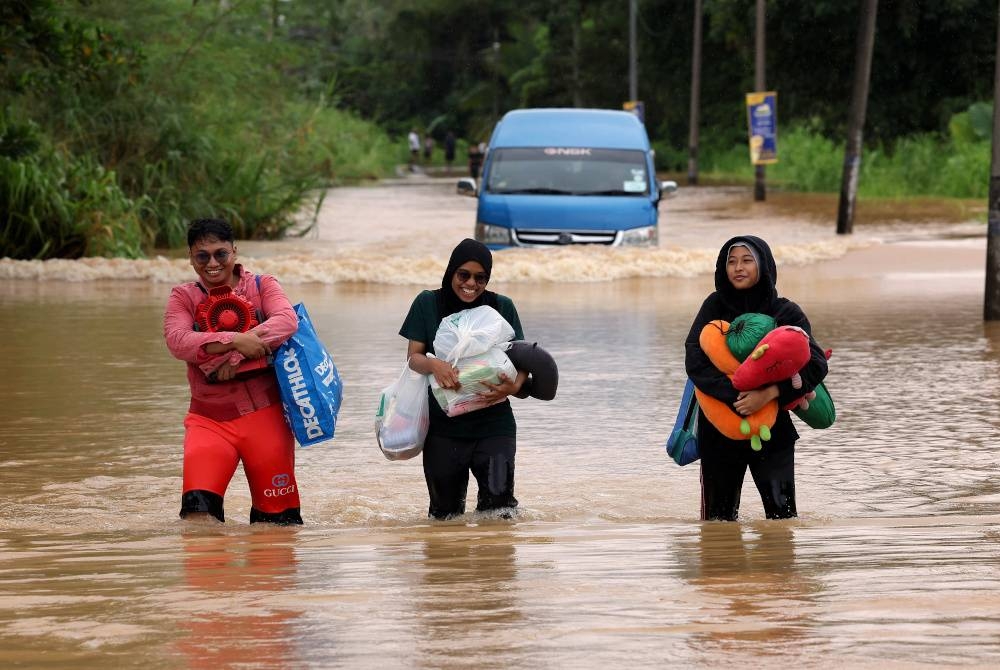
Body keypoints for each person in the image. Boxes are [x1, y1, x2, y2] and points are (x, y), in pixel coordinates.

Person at [163, 218, 303, 525]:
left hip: (266, 418)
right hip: (208, 420)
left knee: (277, 530)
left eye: (220, 254)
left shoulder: (263, 285)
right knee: (198, 521)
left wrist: (233, 356)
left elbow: (286, 321)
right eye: (202, 256)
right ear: (191, 258)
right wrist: (235, 339)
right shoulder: (182, 296)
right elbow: (177, 341)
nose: (212, 263)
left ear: (234, 252)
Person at [684, 235, 828, 521]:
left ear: (764, 265)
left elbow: (816, 364)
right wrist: (736, 395)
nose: (738, 267)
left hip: (775, 431)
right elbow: (694, 359)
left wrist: (771, 393)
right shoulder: (714, 306)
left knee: (783, 519)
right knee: (717, 524)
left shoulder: (785, 311)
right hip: (720, 429)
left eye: (747, 260)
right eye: (732, 261)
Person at [399, 238, 528, 519]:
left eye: (480, 278)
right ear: (451, 272)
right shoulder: (428, 303)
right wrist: (435, 365)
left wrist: (514, 386)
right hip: (443, 429)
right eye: (464, 275)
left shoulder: (501, 307)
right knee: (445, 518)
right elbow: (413, 358)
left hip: (495, 425)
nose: (471, 283)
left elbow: (523, 359)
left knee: (500, 512)